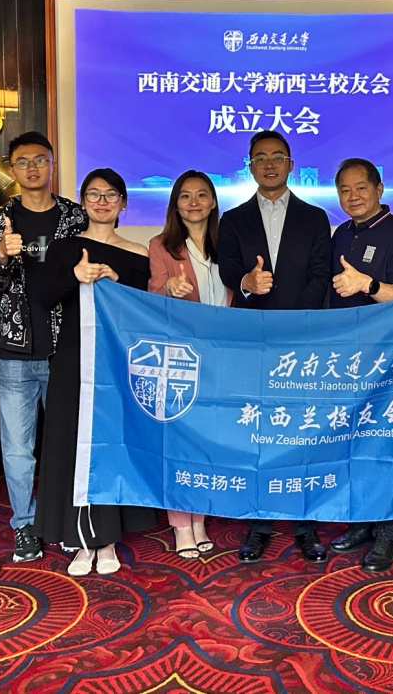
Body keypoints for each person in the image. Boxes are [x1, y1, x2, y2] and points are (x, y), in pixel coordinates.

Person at [32, 168, 158, 576]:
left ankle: (108, 540)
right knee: (73, 442)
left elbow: (145, 311)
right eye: (93, 194)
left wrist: (116, 282)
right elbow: (43, 297)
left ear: (124, 203)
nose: (102, 201)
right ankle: (79, 539)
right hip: (74, 358)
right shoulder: (66, 248)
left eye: (111, 195)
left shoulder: (138, 253)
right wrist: (74, 276)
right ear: (83, 201)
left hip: (118, 361)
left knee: (111, 443)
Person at [217, 129, 331, 564]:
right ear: (250, 166)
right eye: (260, 157)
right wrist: (246, 282)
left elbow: (320, 274)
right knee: (258, 432)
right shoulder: (233, 219)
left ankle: (305, 524)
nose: (269, 164)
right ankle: (259, 523)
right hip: (253, 339)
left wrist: (297, 323)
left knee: (302, 431)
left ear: (290, 164)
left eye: (277, 156)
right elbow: (229, 269)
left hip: (301, 338)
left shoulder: (315, 217)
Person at [0, 132, 86, 564]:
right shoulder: (0, 220)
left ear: (52, 164)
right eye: (23, 162)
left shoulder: (75, 217)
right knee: (17, 448)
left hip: (66, 349)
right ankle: (24, 524)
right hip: (14, 352)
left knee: (66, 442)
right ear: (12, 168)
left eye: (40, 160)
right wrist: (2, 256)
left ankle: (64, 520)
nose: (32, 168)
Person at [324, 158, 393, 574]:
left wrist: (367, 284)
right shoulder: (341, 234)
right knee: (356, 443)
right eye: (344, 190)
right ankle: (364, 520)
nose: (353, 196)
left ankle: (390, 533)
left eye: (360, 188)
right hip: (348, 359)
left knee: (386, 443)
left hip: (389, 359)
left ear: (379, 189)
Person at [147, 169, 231, 558]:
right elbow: (152, 292)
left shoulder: (227, 244)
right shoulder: (161, 245)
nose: (193, 202)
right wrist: (168, 287)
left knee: (208, 440)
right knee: (179, 440)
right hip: (182, 355)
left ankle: (200, 518)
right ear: (175, 204)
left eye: (201, 195)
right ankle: (182, 524)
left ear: (213, 202)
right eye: (185, 195)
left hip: (224, 354)